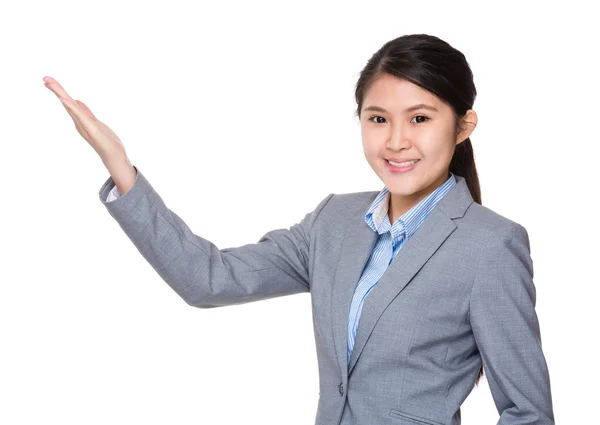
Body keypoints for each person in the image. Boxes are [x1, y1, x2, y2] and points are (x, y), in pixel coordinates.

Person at [44, 33, 554, 425]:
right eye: (378, 119)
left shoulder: (491, 245)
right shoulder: (333, 222)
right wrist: (121, 168)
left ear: (463, 126)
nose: (397, 141)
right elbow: (208, 279)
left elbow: (528, 412)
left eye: (419, 118)